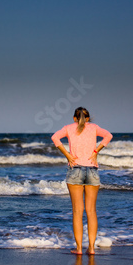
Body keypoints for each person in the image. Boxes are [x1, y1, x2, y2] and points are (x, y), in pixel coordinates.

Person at [51, 107, 113, 255]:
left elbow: (54, 137)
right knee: (91, 211)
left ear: (74, 118)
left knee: (77, 212)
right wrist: (96, 152)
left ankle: (79, 248)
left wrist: (67, 155)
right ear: (88, 118)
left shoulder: (68, 128)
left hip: (75, 169)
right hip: (92, 170)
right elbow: (108, 136)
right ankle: (91, 248)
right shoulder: (94, 128)